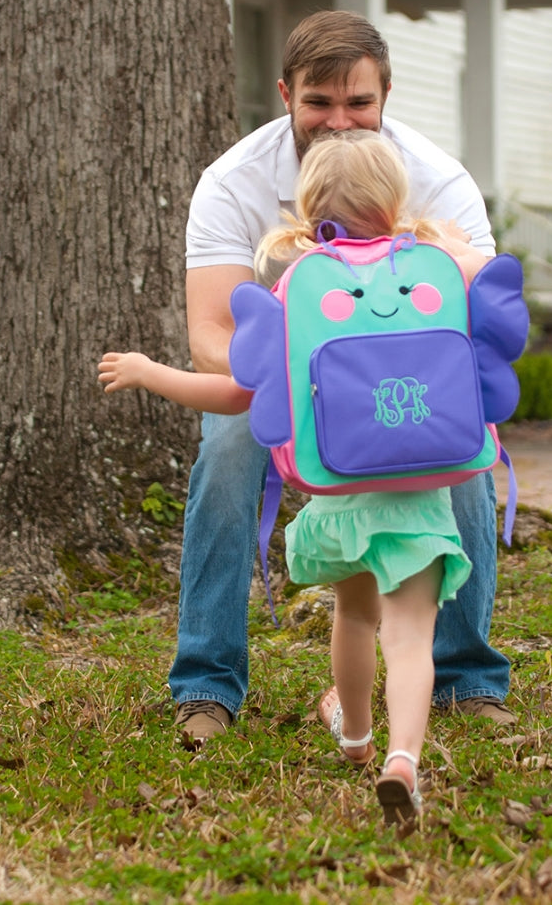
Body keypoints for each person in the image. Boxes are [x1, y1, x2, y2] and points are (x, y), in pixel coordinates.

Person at [99, 131, 498, 823]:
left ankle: (355, 735)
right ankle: (404, 755)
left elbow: (241, 395)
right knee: (407, 637)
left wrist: (148, 372)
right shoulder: (433, 271)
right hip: (423, 504)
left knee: (354, 618)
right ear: (397, 201)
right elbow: (490, 285)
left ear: (310, 215)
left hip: (343, 503)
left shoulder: (301, 292)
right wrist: (445, 244)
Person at [174, 10, 515, 747]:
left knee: (465, 440)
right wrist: (294, 396)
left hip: (409, 374)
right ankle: (206, 682)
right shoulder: (234, 181)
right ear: (284, 94)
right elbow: (209, 333)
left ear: (385, 95)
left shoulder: (436, 180)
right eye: (317, 103)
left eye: (357, 103)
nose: (339, 123)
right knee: (230, 441)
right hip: (281, 376)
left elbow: (474, 322)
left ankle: (468, 679)